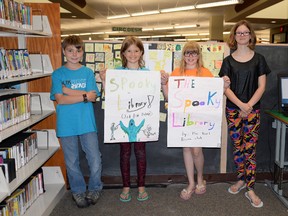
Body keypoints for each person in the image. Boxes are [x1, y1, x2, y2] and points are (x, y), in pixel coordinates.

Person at [161, 41, 230, 201]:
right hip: (182, 118)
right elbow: (168, 97)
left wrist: (224, 86)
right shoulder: (177, 72)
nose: (191, 56)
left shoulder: (205, 73)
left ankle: (200, 178)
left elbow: (214, 96)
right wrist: (164, 84)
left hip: (200, 119)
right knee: (186, 149)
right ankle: (191, 183)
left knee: (196, 150)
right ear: (183, 55)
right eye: (187, 53)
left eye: (194, 53)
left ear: (199, 55)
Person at [218, 20, 271, 208]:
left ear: (250, 35)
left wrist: (247, 106)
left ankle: (250, 188)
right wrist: (240, 105)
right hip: (233, 111)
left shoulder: (259, 59)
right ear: (234, 36)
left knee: (250, 150)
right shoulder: (227, 61)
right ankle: (241, 179)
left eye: (245, 32)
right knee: (238, 148)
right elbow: (225, 88)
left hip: (252, 111)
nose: (242, 35)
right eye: (238, 33)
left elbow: (262, 86)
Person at [50, 35, 103, 208]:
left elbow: (93, 97)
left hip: (87, 123)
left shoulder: (87, 72)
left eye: (78, 50)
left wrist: (68, 90)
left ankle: (95, 188)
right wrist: (84, 96)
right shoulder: (58, 74)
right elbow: (60, 100)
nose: (74, 54)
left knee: (95, 159)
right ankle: (78, 191)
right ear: (64, 52)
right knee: (71, 162)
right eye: (70, 50)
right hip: (66, 125)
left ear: (82, 52)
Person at [100, 36, 150, 202]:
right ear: (123, 53)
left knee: (141, 153)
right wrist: (104, 80)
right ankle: (126, 186)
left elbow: (152, 95)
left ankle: (141, 186)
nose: (133, 54)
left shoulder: (147, 73)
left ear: (141, 52)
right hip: (124, 118)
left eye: (136, 50)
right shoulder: (117, 73)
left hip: (141, 117)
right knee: (125, 153)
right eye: (129, 51)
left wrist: (162, 80)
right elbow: (111, 96)